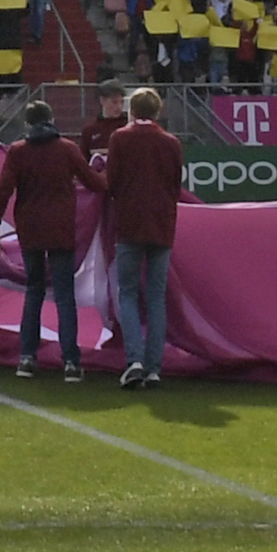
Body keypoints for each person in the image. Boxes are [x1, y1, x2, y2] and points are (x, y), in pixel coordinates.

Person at [83, 87, 184, 390]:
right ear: (157, 112)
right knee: (155, 296)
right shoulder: (171, 142)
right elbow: (175, 185)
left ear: (131, 111)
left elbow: (111, 183)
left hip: (129, 226)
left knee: (126, 292)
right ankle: (154, 367)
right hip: (162, 226)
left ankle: (135, 360)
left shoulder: (120, 139)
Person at [0, 99, 89, 376]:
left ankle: (27, 357)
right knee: (64, 294)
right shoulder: (67, 149)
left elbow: (2, 191)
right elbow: (92, 182)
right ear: (52, 119)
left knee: (34, 291)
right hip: (61, 229)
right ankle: (71, 361)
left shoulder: (19, 151)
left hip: (30, 229)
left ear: (27, 124)